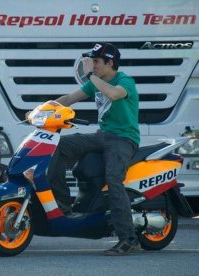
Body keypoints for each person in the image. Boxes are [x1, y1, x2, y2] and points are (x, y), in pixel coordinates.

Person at [48, 43, 141, 256]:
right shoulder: (95, 82)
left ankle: (128, 238)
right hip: (103, 135)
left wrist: (90, 75)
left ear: (110, 63)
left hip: (124, 139)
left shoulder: (124, 81)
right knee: (57, 145)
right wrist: (45, 108)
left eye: (97, 62)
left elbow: (114, 94)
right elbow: (69, 99)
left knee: (113, 179)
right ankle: (63, 205)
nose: (93, 66)